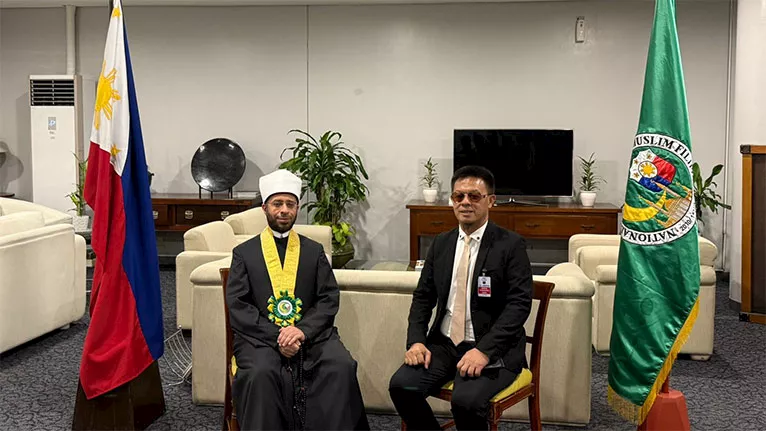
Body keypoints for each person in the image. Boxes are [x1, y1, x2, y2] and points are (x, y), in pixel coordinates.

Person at [389, 165, 533, 431]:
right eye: (459, 196)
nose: (465, 202)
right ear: (452, 200)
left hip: (492, 348)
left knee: (465, 401)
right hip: (444, 345)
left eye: (474, 196)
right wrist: (416, 341)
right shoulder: (441, 243)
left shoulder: (510, 245)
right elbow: (423, 298)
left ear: (491, 200)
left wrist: (484, 351)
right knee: (402, 387)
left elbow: (519, 305)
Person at [226, 169, 369, 431]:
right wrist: (278, 337)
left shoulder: (314, 251)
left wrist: (301, 331)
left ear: (297, 208)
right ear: (265, 208)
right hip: (260, 339)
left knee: (341, 366)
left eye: (290, 204)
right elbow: (239, 305)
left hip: (310, 336)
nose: (284, 210)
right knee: (261, 374)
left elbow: (328, 299)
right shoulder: (244, 254)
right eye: (277, 204)